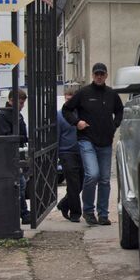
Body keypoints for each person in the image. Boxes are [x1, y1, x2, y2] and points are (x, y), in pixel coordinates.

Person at [62, 63, 123, 226]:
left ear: (106, 75)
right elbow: (66, 109)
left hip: (106, 142)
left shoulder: (112, 94)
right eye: (97, 74)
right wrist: (77, 122)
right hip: (87, 140)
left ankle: (103, 214)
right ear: (92, 75)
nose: (99, 76)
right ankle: (88, 211)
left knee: (104, 179)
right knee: (92, 174)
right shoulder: (83, 93)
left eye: (102, 74)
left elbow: (120, 110)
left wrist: (114, 125)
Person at [0, 88, 31, 225]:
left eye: (23, 103)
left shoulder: (17, 115)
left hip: (16, 154)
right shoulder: (2, 116)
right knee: (18, 184)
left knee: (20, 184)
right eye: (20, 103)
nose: (22, 106)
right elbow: (4, 137)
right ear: (11, 100)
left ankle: (20, 213)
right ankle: (22, 213)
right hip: (6, 155)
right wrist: (21, 138)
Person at [56, 87, 82, 222]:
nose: (69, 99)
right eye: (67, 97)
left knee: (82, 182)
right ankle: (75, 213)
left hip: (82, 151)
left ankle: (65, 203)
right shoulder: (59, 115)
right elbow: (56, 136)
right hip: (66, 153)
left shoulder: (81, 114)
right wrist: (57, 155)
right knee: (73, 183)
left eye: (72, 97)